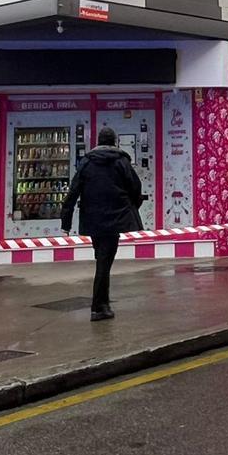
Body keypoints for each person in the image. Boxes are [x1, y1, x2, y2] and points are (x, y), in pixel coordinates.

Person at [60, 127, 143, 321]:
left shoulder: (87, 163)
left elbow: (73, 191)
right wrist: (131, 207)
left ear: (98, 141)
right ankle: (99, 306)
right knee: (104, 263)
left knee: (102, 259)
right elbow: (135, 186)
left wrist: (66, 221)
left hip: (93, 219)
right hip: (115, 219)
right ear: (114, 141)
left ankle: (102, 303)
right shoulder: (121, 161)